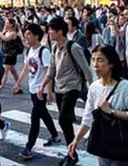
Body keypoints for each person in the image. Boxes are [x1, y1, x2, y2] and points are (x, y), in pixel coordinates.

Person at [68, 45, 128, 166]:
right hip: (103, 142)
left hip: (121, 143)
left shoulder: (125, 87)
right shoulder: (94, 87)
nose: (95, 64)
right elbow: (87, 118)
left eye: (100, 60)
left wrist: (111, 111)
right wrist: (76, 140)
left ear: (111, 63)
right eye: (93, 60)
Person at [39, 18, 93, 166]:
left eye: (52, 30)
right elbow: (51, 69)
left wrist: (92, 88)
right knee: (66, 121)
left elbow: (85, 68)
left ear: (60, 31)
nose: (49, 32)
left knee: (63, 119)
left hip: (72, 86)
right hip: (59, 87)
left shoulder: (73, 47)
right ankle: (71, 153)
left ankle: (72, 153)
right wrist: (43, 86)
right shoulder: (55, 47)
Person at [12, 24, 60, 160]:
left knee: (35, 118)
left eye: (28, 34)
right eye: (25, 34)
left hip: (41, 90)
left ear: (36, 36)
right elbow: (26, 68)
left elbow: (48, 72)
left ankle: (28, 147)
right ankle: (55, 135)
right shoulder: (29, 51)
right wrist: (18, 83)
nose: (26, 37)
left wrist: (49, 92)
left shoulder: (43, 51)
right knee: (43, 113)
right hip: (33, 88)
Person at [0, 19, 22, 94]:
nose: (6, 24)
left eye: (7, 23)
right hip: (6, 53)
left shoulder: (13, 33)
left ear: (12, 25)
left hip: (10, 54)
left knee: (5, 71)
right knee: (13, 71)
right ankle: (19, 86)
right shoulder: (6, 31)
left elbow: (5, 39)